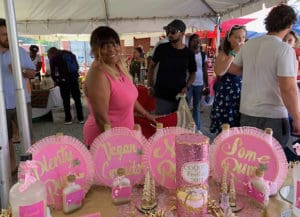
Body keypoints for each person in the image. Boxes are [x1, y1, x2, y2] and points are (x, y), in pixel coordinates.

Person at [229, 4, 300, 151]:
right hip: (272, 116)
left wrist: (254, 70)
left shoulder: (249, 45)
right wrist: (297, 118)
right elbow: (288, 88)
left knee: (249, 160)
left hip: (247, 112)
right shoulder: (284, 49)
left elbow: (233, 68)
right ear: (290, 24)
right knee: (271, 164)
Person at [83, 26, 156, 146]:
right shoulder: (98, 74)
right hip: (105, 142)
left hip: (123, 136)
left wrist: (146, 115)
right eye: (104, 46)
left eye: (114, 44)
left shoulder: (117, 66)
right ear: (95, 50)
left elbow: (129, 97)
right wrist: (114, 146)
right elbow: (101, 118)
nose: (111, 49)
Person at [0, 18, 36, 173]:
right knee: (4, 140)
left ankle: (31, 167)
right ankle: (11, 168)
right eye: (3, 34)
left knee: (27, 135)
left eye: (9, 34)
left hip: (21, 101)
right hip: (1, 104)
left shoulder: (19, 51)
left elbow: (33, 73)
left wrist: (20, 70)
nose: (7, 37)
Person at [147, 19, 196, 115]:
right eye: (167, 31)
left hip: (180, 97)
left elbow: (193, 73)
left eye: (173, 31)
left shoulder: (189, 53)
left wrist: (187, 86)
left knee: (179, 126)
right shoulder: (162, 48)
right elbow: (151, 67)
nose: (169, 34)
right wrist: (150, 86)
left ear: (182, 33)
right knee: (162, 125)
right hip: (162, 96)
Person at [210, 25, 246, 134]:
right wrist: (233, 52)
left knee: (238, 131)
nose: (241, 40)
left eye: (243, 37)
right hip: (226, 96)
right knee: (223, 131)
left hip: (241, 95)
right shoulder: (224, 53)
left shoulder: (246, 54)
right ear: (229, 38)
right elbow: (219, 71)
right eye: (237, 37)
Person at [48, 47, 84, 125]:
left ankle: (68, 119)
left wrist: (56, 81)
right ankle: (81, 118)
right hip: (74, 79)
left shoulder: (54, 58)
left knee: (66, 100)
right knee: (77, 99)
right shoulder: (70, 54)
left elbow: (53, 72)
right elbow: (77, 67)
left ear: (51, 53)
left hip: (63, 81)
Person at [186, 34, 209, 133]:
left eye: (198, 40)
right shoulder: (186, 53)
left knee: (196, 107)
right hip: (188, 83)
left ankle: (197, 129)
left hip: (199, 84)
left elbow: (205, 70)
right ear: (190, 42)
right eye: (194, 40)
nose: (197, 42)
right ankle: (186, 128)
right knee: (185, 107)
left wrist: (207, 84)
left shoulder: (203, 55)